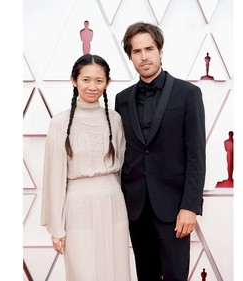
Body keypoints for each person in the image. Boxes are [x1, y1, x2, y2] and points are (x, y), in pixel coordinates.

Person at [115, 22, 206, 281]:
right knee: (146, 276)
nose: (144, 56)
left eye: (149, 49)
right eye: (136, 51)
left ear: (160, 50)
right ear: (130, 56)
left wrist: (190, 206)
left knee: (176, 277)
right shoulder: (122, 99)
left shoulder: (188, 93)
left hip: (175, 208)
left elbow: (196, 154)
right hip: (136, 207)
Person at [41, 54, 130, 281]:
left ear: (108, 83)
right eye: (86, 80)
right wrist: (57, 228)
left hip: (113, 202)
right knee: (84, 272)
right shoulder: (59, 122)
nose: (92, 87)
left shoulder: (115, 119)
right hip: (77, 204)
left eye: (99, 81)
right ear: (74, 80)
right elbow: (54, 177)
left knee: (116, 270)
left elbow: (121, 167)